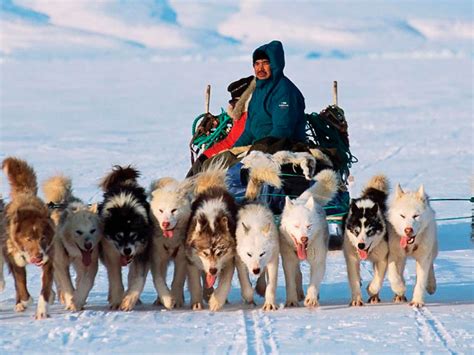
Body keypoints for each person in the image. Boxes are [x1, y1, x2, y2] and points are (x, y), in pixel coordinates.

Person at [234, 40, 306, 147]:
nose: (260, 68)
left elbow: (283, 129)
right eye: (257, 64)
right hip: (260, 147)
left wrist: (259, 146)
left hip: (284, 146)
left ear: (275, 64)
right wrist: (233, 149)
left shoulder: (284, 91)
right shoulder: (258, 92)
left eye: (265, 63)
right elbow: (248, 132)